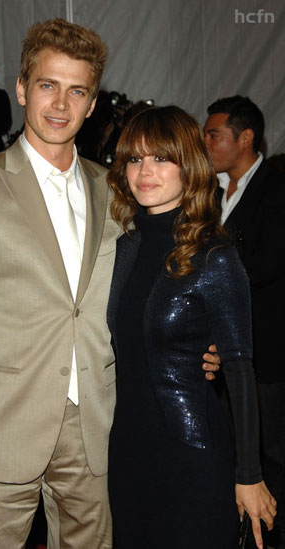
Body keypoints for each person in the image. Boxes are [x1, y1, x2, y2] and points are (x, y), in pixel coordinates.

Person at [0, 20, 220, 549]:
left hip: (96, 432)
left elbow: (160, 276)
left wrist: (202, 339)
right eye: (47, 85)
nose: (60, 104)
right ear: (21, 90)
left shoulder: (114, 190)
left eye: (77, 90)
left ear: (91, 104)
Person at [107, 105, 276, 549]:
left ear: (189, 166)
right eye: (135, 158)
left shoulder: (214, 255)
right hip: (127, 454)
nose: (146, 171)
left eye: (162, 158)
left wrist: (249, 475)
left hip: (193, 457)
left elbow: (240, 372)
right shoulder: (125, 248)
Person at [204, 95, 285, 549]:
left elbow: (267, 263)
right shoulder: (207, 189)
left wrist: (209, 278)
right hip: (214, 353)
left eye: (214, 134)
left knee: (269, 455)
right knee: (226, 449)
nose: (207, 142)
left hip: (265, 354)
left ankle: (269, 538)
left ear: (246, 137)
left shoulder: (276, 192)